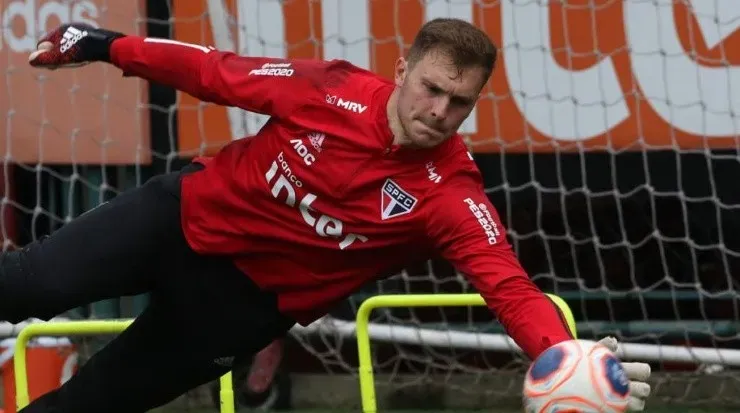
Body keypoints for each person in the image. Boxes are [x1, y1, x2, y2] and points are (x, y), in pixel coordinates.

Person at [12, 18, 651, 412]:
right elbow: (213, 72)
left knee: (85, 406)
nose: (439, 111)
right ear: (402, 70)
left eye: (460, 102)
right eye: (431, 88)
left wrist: (566, 357)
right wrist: (104, 45)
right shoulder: (329, 87)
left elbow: (509, 286)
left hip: (236, 310)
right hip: (176, 223)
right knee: (27, 284)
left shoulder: (451, 196)